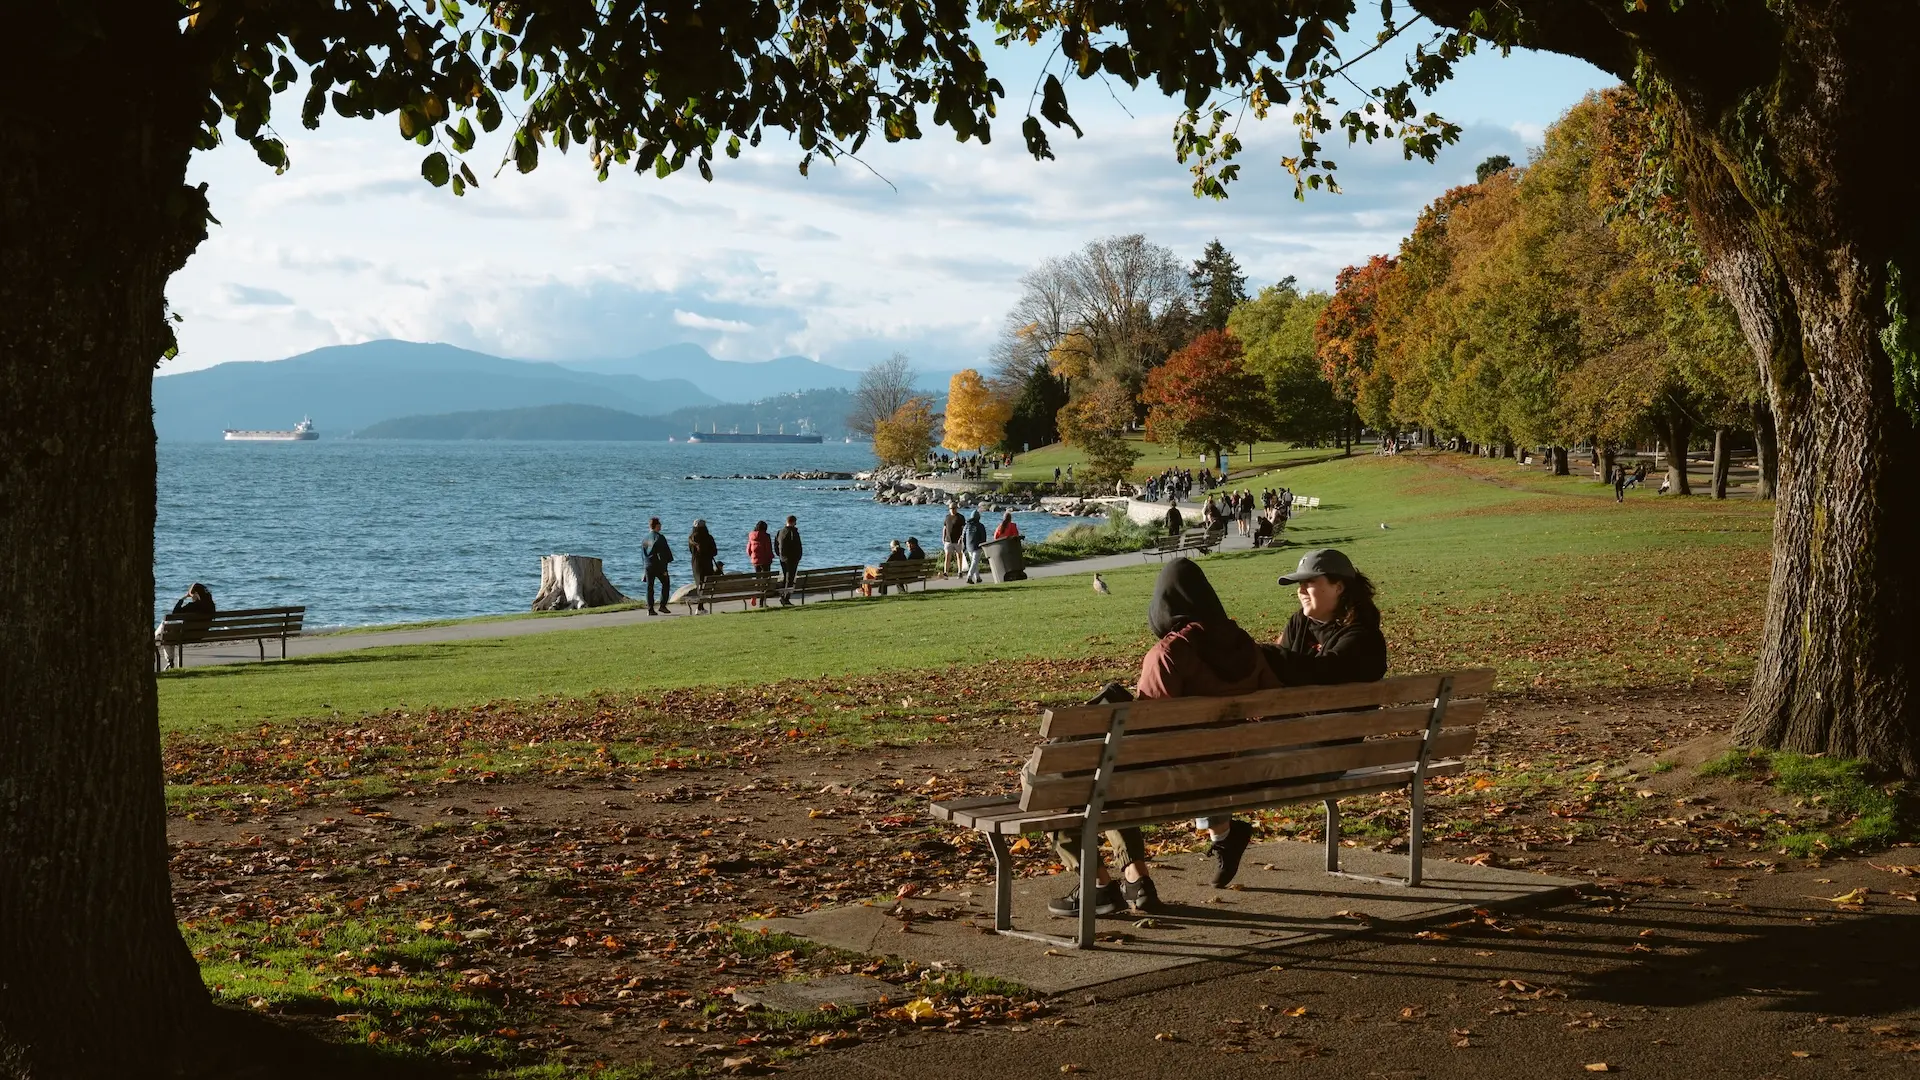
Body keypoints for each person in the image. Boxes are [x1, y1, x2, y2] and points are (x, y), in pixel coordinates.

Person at [155, 583, 216, 669]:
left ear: (196, 594)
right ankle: (169, 660)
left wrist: (183, 598)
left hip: (185, 636)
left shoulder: (192, 606)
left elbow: (174, 613)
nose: (191, 598)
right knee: (167, 634)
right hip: (200, 635)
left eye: (191, 596)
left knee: (165, 628)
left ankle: (169, 660)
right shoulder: (211, 607)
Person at [642, 517, 675, 615]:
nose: (661, 525)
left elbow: (643, 554)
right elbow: (663, 554)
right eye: (659, 524)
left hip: (648, 565)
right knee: (666, 583)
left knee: (650, 587)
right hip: (658, 565)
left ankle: (650, 608)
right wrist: (664, 568)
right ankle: (662, 605)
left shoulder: (645, 538)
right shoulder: (659, 537)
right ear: (657, 526)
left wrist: (644, 567)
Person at [686, 519, 718, 613]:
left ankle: (700, 607)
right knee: (706, 585)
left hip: (696, 564)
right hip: (707, 564)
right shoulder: (709, 537)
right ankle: (700, 607)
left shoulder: (691, 538)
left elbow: (691, 551)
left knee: (699, 584)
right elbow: (715, 552)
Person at [774, 515, 803, 606]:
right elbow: (797, 546)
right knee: (790, 579)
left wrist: (779, 555)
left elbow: (776, 545)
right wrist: (798, 556)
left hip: (783, 558)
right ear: (793, 522)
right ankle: (785, 598)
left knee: (786, 577)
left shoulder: (780, 532)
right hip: (792, 559)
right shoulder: (793, 532)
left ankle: (783, 596)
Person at [746, 521, 774, 606]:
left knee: (758, 580)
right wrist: (771, 557)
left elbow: (748, 550)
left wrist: (753, 557)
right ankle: (762, 602)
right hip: (765, 561)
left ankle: (754, 595)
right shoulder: (766, 536)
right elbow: (768, 549)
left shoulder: (751, 535)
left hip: (755, 561)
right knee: (765, 582)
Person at [940, 503, 966, 576]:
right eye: (951, 508)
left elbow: (963, 528)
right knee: (947, 556)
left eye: (954, 508)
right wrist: (943, 537)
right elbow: (945, 528)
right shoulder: (947, 517)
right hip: (948, 540)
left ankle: (960, 571)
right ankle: (946, 572)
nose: (952, 510)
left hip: (958, 540)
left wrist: (961, 537)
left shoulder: (960, 517)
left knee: (959, 555)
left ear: (956, 508)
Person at [963, 510, 987, 583]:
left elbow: (963, 536)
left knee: (974, 562)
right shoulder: (980, 526)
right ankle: (969, 577)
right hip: (977, 546)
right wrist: (984, 545)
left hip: (968, 546)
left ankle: (977, 577)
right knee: (974, 562)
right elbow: (983, 536)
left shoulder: (966, 525)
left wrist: (964, 547)